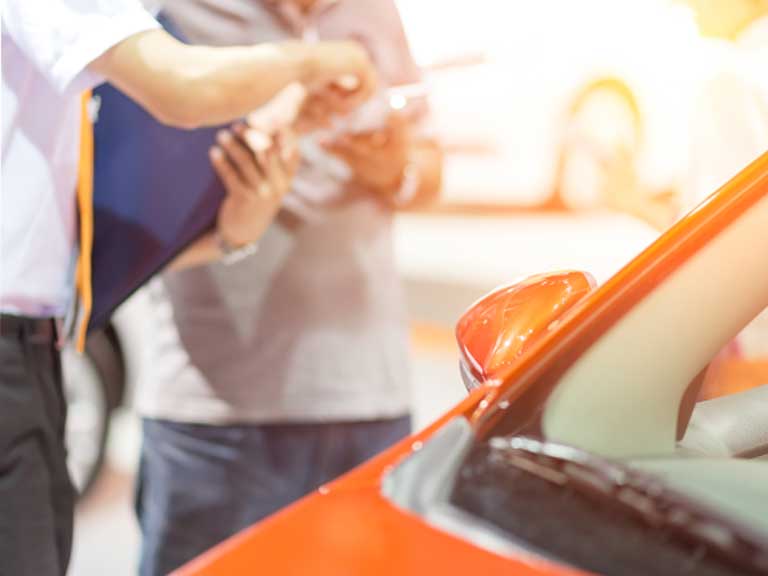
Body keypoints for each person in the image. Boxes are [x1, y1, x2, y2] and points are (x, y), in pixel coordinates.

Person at [0, 1, 376, 573]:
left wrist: (229, 234)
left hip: (40, 354)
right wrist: (323, 59)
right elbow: (183, 87)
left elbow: (97, 238)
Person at [133, 1, 443, 574]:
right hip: (217, 418)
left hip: (371, 404)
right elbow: (124, 207)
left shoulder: (374, 12)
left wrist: (395, 168)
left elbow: (429, 167)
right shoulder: (173, 12)